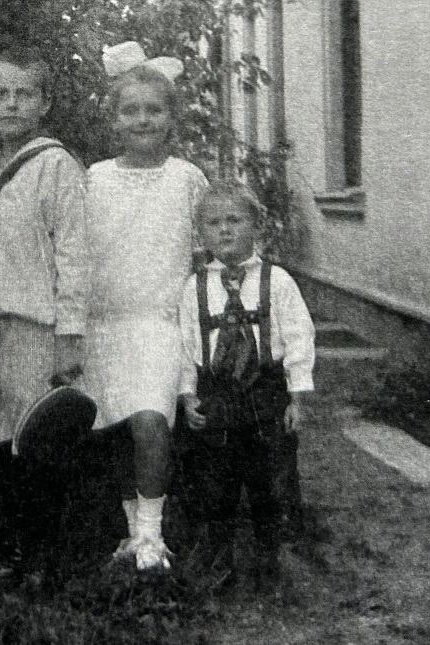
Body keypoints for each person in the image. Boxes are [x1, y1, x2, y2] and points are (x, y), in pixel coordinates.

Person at [0, 45, 87, 565]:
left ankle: (42, 551)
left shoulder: (57, 165)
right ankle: (4, 543)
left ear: (44, 103)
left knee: (32, 432)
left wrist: (70, 330)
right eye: (1, 93)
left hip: (31, 322)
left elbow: (74, 252)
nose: (11, 103)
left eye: (24, 94)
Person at [80, 42, 208, 571]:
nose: (142, 120)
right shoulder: (95, 178)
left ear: (172, 118)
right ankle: (132, 531)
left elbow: (203, 256)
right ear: (113, 119)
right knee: (112, 428)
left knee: (152, 421)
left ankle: (153, 535)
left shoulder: (186, 178)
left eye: (154, 110)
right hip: (103, 323)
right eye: (130, 110)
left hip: (160, 322)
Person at [177, 182, 315, 590]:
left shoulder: (278, 281)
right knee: (214, 482)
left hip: (266, 393)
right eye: (213, 223)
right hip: (216, 395)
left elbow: (299, 339)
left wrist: (296, 398)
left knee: (270, 479)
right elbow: (185, 347)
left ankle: (270, 558)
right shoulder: (194, 288)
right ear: (201, 233)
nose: (224, 229)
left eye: (234, 220)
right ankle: (219, 558)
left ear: (256, 226)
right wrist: (188, 395)